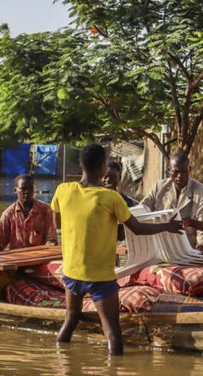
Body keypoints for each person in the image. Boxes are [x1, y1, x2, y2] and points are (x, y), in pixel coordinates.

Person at [51, 143, 181, 355]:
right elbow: (137, 229)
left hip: (72, 273)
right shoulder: (111, 198)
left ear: (82, 165)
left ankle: (61, 361)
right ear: (103, 167)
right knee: (112, 333)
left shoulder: (63, 191)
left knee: (71, 318)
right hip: (100, 277)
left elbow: (57, 223)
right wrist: (169, 226)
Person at [140, 152, 203, 251]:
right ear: (169, 171)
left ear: (190, 170)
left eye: (184, 171)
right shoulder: (159, 187)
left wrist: (199, 249)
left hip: (188, 251)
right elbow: (143, 209)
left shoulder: (202, 193)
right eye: (176, 171)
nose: (180, 175)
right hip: (160, 249)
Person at [0, 174, 57, 252]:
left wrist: (49, 248)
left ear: (34, 189)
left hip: (40, 258)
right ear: (15, 190)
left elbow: (51, 238)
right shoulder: (8, 214)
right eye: (23, 189)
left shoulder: (45, 210)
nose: (27, 192)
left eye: (30, 188)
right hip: (17, 258)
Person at [102, 160, 135, 242]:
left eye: (112, 177)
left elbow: (129, 229)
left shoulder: (126, 202)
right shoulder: (95, 199)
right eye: (105, 176)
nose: (108, 180)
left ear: (119, 178)